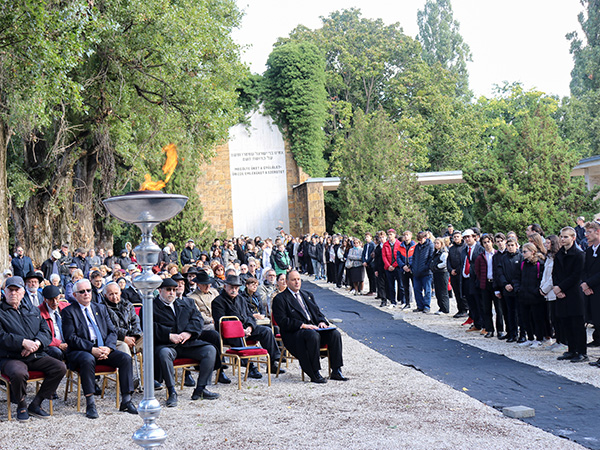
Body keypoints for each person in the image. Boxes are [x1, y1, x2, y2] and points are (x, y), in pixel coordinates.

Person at [62, 279, 138, 418]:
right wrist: (92, 349)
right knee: (88, 359)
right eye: (82, 291)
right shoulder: (68, 312)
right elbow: (70, 338)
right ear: (74, 295)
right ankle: (90, 403)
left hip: (103, 349)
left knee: (125, 358)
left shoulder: (100, 308)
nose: (86, 294)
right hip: (81, 352)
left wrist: (108, 348)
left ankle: (126, 400)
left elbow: (112, 331)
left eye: (88, 290)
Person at [0, 276, 67, 421]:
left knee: (60, 368)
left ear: (23, 292)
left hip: (35, 353)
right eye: (10, 290)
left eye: (16, 290)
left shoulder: (31, 309)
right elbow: (1, 336)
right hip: (10, 357)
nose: (13, 293)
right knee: (18, 373)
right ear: (4, 292)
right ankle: (21, 404)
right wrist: (23, 342)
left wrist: (35, 343)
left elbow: (46, 331)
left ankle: (36, 404)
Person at [151, 278, 220, 406]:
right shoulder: (151, 306)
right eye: (168, 290)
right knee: (164, 354)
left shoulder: (185, 303)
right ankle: (171, 391)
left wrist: (188, 333)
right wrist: (169, 335)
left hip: (186, 343)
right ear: (159, 290)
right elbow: (149, 326)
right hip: (167, 344)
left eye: (174, 290)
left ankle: (200, 389)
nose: (172, 293)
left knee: (210, 350)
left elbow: (197, 319)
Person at [272, 270, 347, 384]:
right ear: (287, 282)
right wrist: (302, 325)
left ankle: (336, 370)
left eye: (298, 279)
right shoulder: (280, 299)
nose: (297, 282)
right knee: (312, 335)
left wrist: (322, 322)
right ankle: (315, 372)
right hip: (295, 333)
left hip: (313, 329)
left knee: (334, 334)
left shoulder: (307, 295)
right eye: (293, 280)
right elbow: (282, 321)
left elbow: (318, 314)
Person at [211, 275, 282, 378]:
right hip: (229, 334)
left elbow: (250, 315)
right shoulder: (218, 301)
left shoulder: (241, 299)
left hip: (246, 329)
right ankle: (250, 367)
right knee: (237, 336)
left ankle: (273, 362)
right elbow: (222, 322)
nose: (234, 290)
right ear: (225, 287)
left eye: (236, 288)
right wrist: (241, 331)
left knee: (266, 331)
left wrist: (250, 327)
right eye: (231, 287)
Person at [553, 227, 588, 363]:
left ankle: (582, 352)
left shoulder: (579, 255)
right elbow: (555, 273)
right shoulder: (559, 254)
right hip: (561, 292)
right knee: (566, 322)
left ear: (573, 238)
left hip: (573, 293)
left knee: (577, 323)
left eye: (566, 237)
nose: (562, 239)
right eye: (561, 237)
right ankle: (571, 350)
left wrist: (561, 287)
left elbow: (576, 276)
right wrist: (556, 288)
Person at [518, 243, 546, 347]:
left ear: (532, 252)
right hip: (524, 294)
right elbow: (518, 277)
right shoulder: (523, 264)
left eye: (525, 251)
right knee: (526, 318)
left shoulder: (539, 264)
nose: (523, 254)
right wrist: (519, 289)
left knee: (537, 318)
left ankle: (538, 338)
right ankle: (529, 337)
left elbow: (541, 278)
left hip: (535, 296)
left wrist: (536, 290)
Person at [580, 221, 600, 362]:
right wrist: (585, 284)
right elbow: (584, 270)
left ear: (598, 232)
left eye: (589, 232)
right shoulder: (588, 251)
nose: (586, 235)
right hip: (591, 293)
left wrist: (588, 283)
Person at [497, 237, 523, 343]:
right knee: (509, 312)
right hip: (507, 289)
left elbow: (521, 273)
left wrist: (515, 285)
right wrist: (505, 284)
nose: (510, 247)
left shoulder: (520, 257)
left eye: (513, 245)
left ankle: (522, 334)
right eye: (509, 245)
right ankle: (512, 333)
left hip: (517, 289)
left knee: (519, 313)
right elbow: (500, 272)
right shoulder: (503, 258)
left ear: (517, 246)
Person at [461, 229, 485, 332]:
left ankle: (485, 325)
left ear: (474, 237)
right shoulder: (464, 250)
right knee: (471, 303)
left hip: (477, 279)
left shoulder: (480, 249)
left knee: (480, 303)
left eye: (469, 237)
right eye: (465, 237)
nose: (467, 239)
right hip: (466, 279)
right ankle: (477, 323)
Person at [38, 285, 69, 361]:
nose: (55, 302)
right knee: (56, 352)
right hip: (51, 344)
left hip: (67, 341)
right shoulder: (38, 312)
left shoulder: (66, 307)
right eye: (51, 300)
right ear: (45, 299)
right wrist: (58, 344)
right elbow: (42, 335)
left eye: (56, 298)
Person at [412, 231, 434, 313]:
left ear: (425, 238)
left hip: (426, 272)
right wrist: (413, 267)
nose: (420, 242)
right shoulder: (417, 247)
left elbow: (430, 258)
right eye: (418, 240)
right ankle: (419, 305)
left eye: (421, 240)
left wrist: (425, 267)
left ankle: (426, 306)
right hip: (416, 272)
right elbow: (413, 258)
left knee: (427, 290)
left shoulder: (430, 245)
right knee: (416, 289)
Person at [447, 231, 467, 318]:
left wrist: (457, 270)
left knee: (462, 292)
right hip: (453, 273)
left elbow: (464, 261)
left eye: (457, 237)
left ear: (461, 237)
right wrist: (451, 270)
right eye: (454, 237)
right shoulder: (451, 248)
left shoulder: (464, 247)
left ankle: (465, 309)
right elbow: (448, 260)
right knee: (456, 292)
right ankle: (460, 309)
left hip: (461, 273)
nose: (456, 238)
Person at [381, 229, 402, 307]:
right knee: (390, 285)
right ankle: (393, 301)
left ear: (394, 235)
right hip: (388, 267)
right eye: (388, 234)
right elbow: (384, 256)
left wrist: (394, 265)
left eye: (391, 234)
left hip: (397, 267)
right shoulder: (385, 245)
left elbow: (399, 256)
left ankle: (402, 300)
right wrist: (388, 265)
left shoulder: (399, 244)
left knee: (401, 284)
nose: (390, 236)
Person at [430, 238, 450, 314]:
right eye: (435, 243)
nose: (436, 245)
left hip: (442, 273)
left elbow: (445, 263)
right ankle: (441, 307)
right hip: (436, 273)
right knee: (438, 291)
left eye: (438, 243)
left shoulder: (444, 253)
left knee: (443, 291)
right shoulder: (435, 252)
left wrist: (437, 266)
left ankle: (445, 308)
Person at [397, 231, 416, 309]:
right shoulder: (400, 246)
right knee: (405, 287)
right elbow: (398, 257)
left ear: (411, 236)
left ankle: (418, 304)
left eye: (407, 235)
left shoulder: (415, 246)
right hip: (403, 269)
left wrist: (409, 266)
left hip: (412, 269)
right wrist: (403, 266)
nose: (406, 237)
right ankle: (407, 303)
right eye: (404, 235)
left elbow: (415, 257)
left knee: (416, 287)